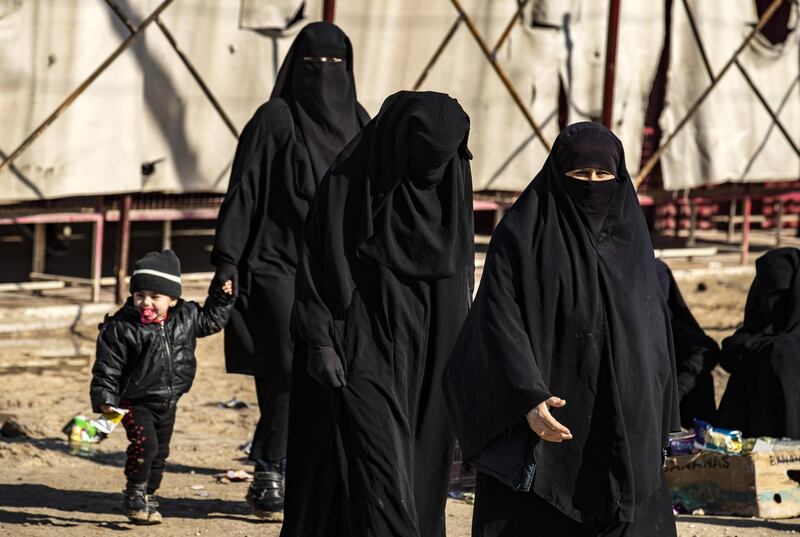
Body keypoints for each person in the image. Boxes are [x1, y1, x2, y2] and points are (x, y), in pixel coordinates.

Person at [443, 122, 680, 537]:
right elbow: (499, 322)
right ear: (558, 174)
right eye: (579, 176)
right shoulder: (522, 234)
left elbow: (653, 335)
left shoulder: (631, 237)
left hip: (624, 422)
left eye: (603, 176)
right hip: (548, 420)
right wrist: (527, 399)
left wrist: (659, 420)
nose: (592, 185)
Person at [282, 91, 474, 537]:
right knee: (378, 468)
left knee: (417, 472)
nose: (431, 171)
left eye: (441, 160)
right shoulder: (350, 182)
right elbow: (317, 263)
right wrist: (320, 339)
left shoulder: (454, 179)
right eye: (423, 157)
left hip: (434, 350)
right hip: (361, 341)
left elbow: (459, 271)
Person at [210, 21, 369, 519]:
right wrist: (227, 261)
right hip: (275, 263)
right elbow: (245, 191)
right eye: (312, 65)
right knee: (284, 368)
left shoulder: (361, 120)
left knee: (329, 372)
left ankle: (297, 466)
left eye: (335, 64)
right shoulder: (275, 118)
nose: (325, 75)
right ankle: (270, 470)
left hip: (337, 271)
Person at [90, 250, 234, 525]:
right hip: (132, 401)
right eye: (139, 295)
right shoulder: (121, 327)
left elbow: (213, 319)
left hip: (168, 400)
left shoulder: (187, 317)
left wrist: (223, 295)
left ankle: (150, 497)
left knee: (160, 454)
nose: (146, 302)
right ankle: (134, 493)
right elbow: (107, 367)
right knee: (146, 446)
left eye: (155, 297)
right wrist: (105, 401)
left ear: (173, 299)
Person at [716, 247, 800, 438]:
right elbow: (732, 351)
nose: (770, 302)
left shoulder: (787, 348)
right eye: (765, 293)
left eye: (778, 294)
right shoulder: (753, 337)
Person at [655, 259, 719, 428]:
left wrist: (678, 392)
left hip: (676, 410)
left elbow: (706, 349)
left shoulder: (672, 322)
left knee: (701, 379)